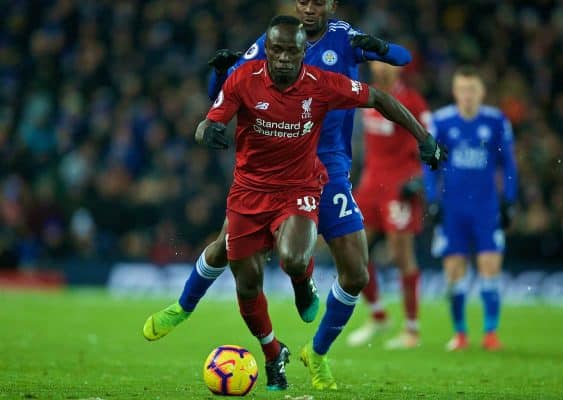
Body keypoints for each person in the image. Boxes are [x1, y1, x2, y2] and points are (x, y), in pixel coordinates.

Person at [143, 0, 424, 390]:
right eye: (303, 1)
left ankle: (317, 352)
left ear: (331, 4)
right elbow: (228, 89)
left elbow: (401, 59)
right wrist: (219, 78)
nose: (310, 8)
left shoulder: (346, 39)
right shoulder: (270, 43)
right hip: (267, 171)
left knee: (352, 270)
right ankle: (186, 306)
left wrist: (376, 46)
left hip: (327, 168)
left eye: (317, 2)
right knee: (227, 248)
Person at [425, 65, 518, 351]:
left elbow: (509, 164)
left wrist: (509, 200)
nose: (467, 95)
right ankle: (461, 333)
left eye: (472, 90)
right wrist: (432, 200)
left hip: (486, 208)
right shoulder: (440, 121)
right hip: (452, 209)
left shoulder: (496, 121)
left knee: (490, 267)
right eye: (462, 90)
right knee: (454, 271)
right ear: (455, 92)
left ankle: (490, 333)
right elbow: (430, 165)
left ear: (482, 92)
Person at [347, 62, 430, 350]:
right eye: (376, 62)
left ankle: (412, 329)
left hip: (399, 185)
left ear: (398, 68)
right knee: (351, 248)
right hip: (371, 184)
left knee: (400, 254)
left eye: (387, 64)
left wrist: (420, 178)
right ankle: (378, 315)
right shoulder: (367, 95)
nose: (381, 68)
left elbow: (430, 141)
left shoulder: (412, 101)